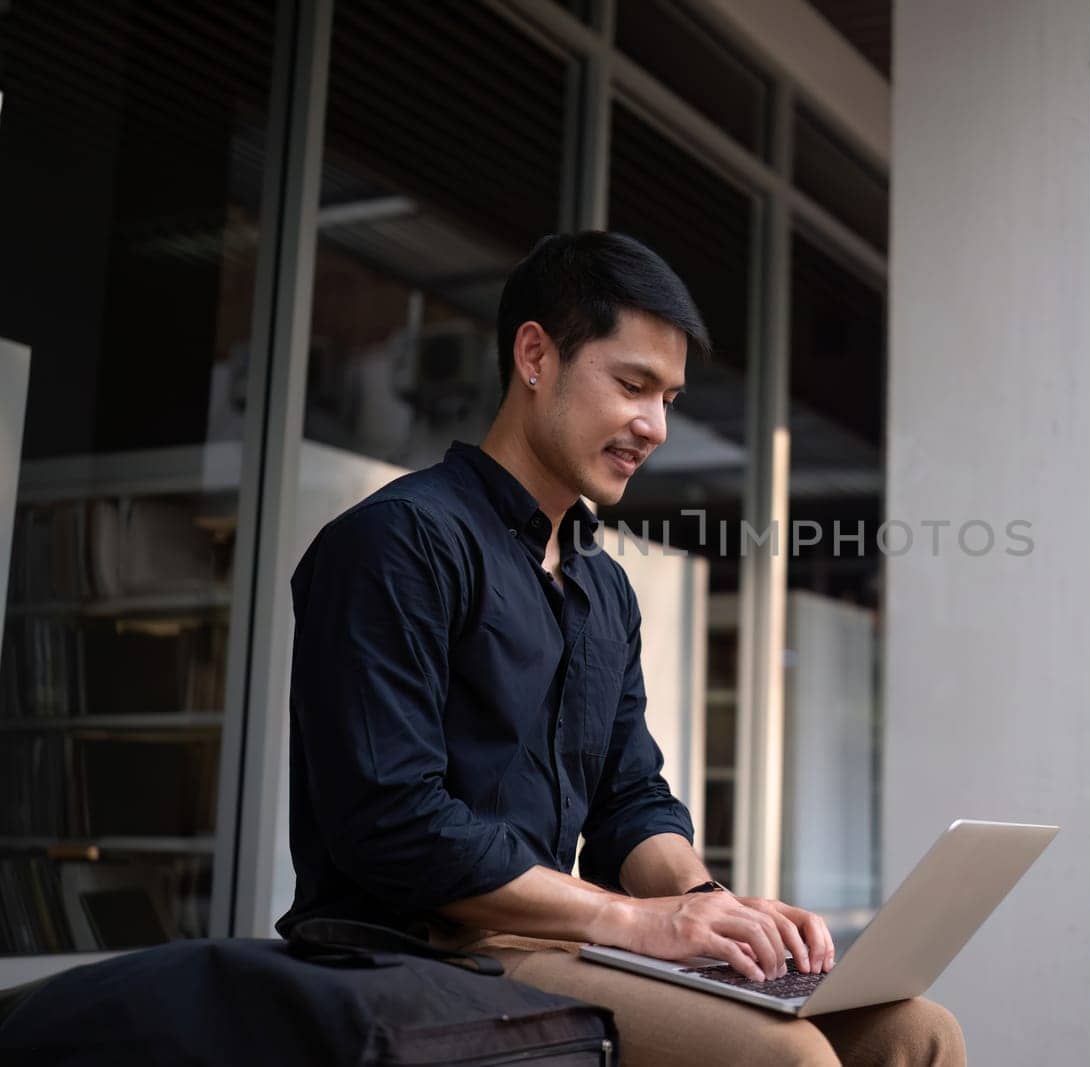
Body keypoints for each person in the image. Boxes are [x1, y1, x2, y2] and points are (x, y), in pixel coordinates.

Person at [279, 231, 964, 1066]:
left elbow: (629, 799)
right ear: (536, 356)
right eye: (633, 384)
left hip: (564, 939)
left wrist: (712, 906)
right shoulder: (398, 542)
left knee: (917, 1031)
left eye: (669, 397)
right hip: (421, 943)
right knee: (784, 1058)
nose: (655, 425)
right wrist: (636, 921)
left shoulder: (603, 589)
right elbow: (390, 822)